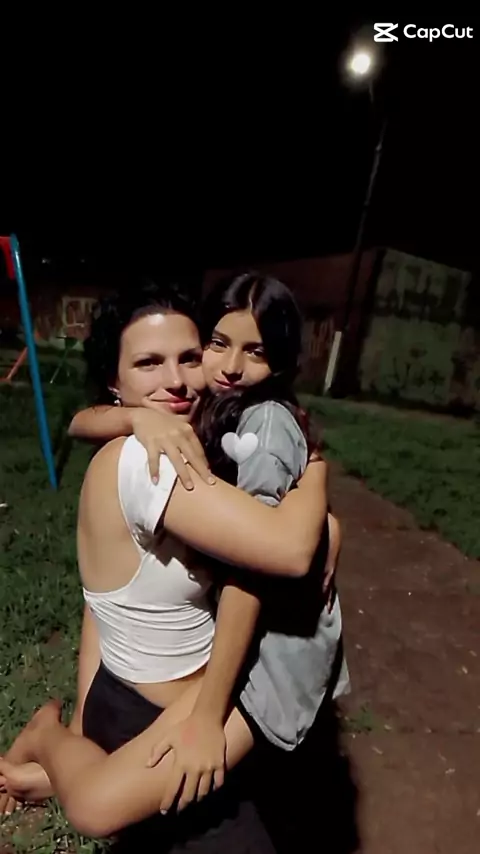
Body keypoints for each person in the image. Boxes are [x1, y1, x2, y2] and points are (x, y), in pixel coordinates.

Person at [0, 278, 330, 847]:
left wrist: (86, 716)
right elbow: (291, 550)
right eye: (148, 363)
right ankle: (46, 739)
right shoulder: (148, 461)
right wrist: (317, 467)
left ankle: (57, 757)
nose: (176, 380)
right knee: (110, 812)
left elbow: (100, 605)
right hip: (169, 712)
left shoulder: (196, 439)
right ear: (115, 380)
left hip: (139, 693)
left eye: (189, 357)